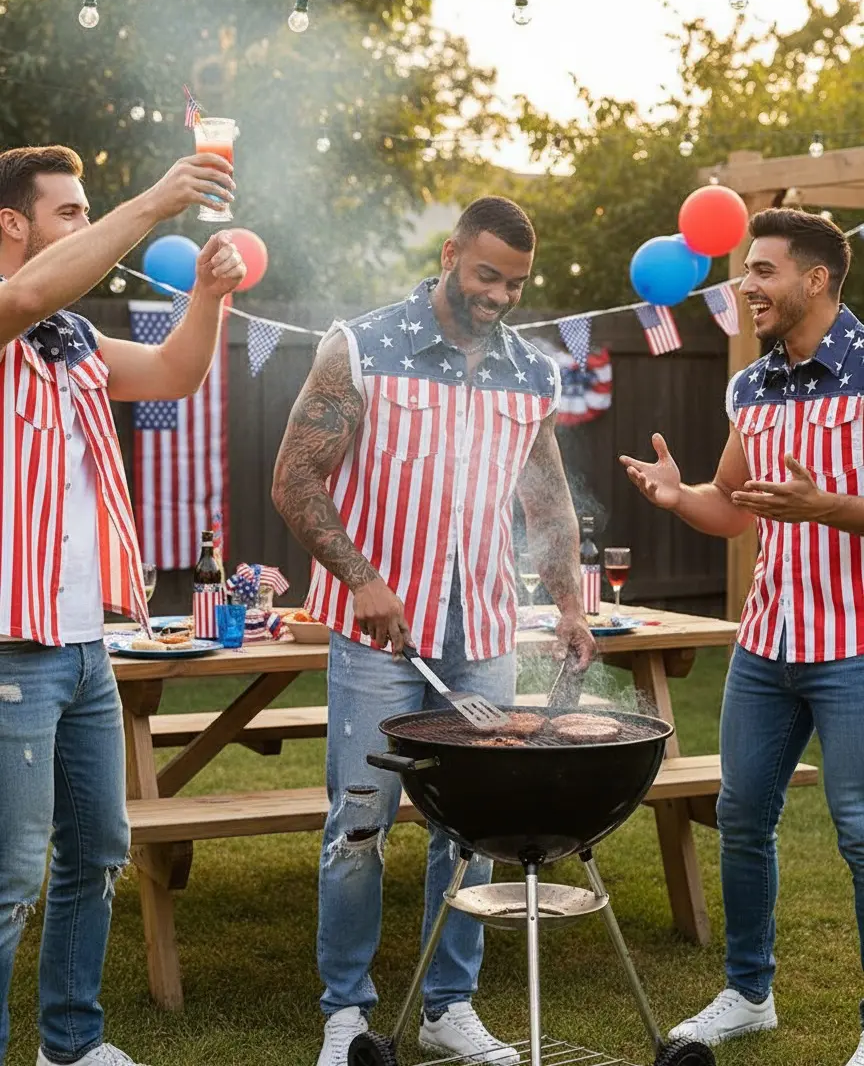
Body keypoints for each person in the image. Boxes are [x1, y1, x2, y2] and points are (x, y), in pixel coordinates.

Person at [272, 196, 596, 1066]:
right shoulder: (362, 347)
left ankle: (448, 1006)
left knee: (476, 824)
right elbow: (296, 480)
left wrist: (568, 599)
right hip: (377, 632)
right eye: (487, 274)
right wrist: (363, 578)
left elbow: (547, 499)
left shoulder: (532, 372)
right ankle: (347, 1009)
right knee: (360, 821)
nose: (499, 295)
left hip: (485, 626)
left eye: (517, 283)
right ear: (451, 253)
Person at [0, 144, 244, 1066]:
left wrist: (209, 300)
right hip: (10, 648)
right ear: (11, 225)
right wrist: (154, 200)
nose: (88, 226)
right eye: (70, 212)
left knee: (95, 854)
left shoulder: (75, 343)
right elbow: (24, 297)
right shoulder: (12, 314)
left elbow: (176, 375)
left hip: (85, 645)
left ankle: (71, 1045)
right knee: (13, 872)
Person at [620, 208, 864, 1065]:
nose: (745, 287)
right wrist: (678, 495)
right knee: (741, 815)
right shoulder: (751, 386)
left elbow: (824, 510)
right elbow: (732, 506)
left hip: (856, 646)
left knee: (861, 831)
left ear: (816, 279)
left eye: (761, 271)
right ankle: (748, 993)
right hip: (767, 643)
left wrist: (832, 508)